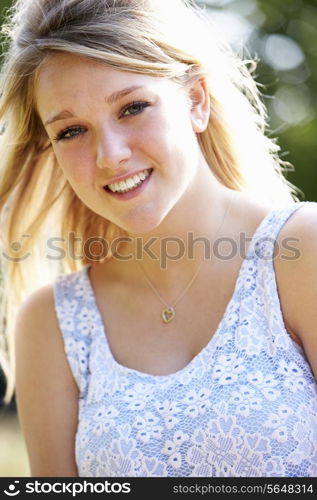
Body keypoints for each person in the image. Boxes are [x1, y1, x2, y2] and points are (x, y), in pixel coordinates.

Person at [0, 0, 316, 478]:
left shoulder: (300, 252)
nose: (109, 156)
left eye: (132, 107)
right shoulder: (53, 324)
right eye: (71, 131)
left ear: (196, 101)